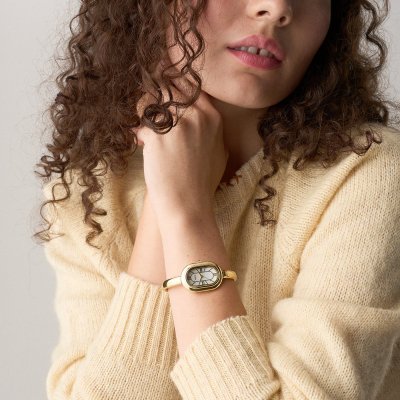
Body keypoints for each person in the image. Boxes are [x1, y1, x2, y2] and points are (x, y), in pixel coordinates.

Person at [33, 1, 400, 399]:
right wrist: (167, 197)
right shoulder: (89, 197)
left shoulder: (368, 172)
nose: (276, 7)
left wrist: (186, 215)